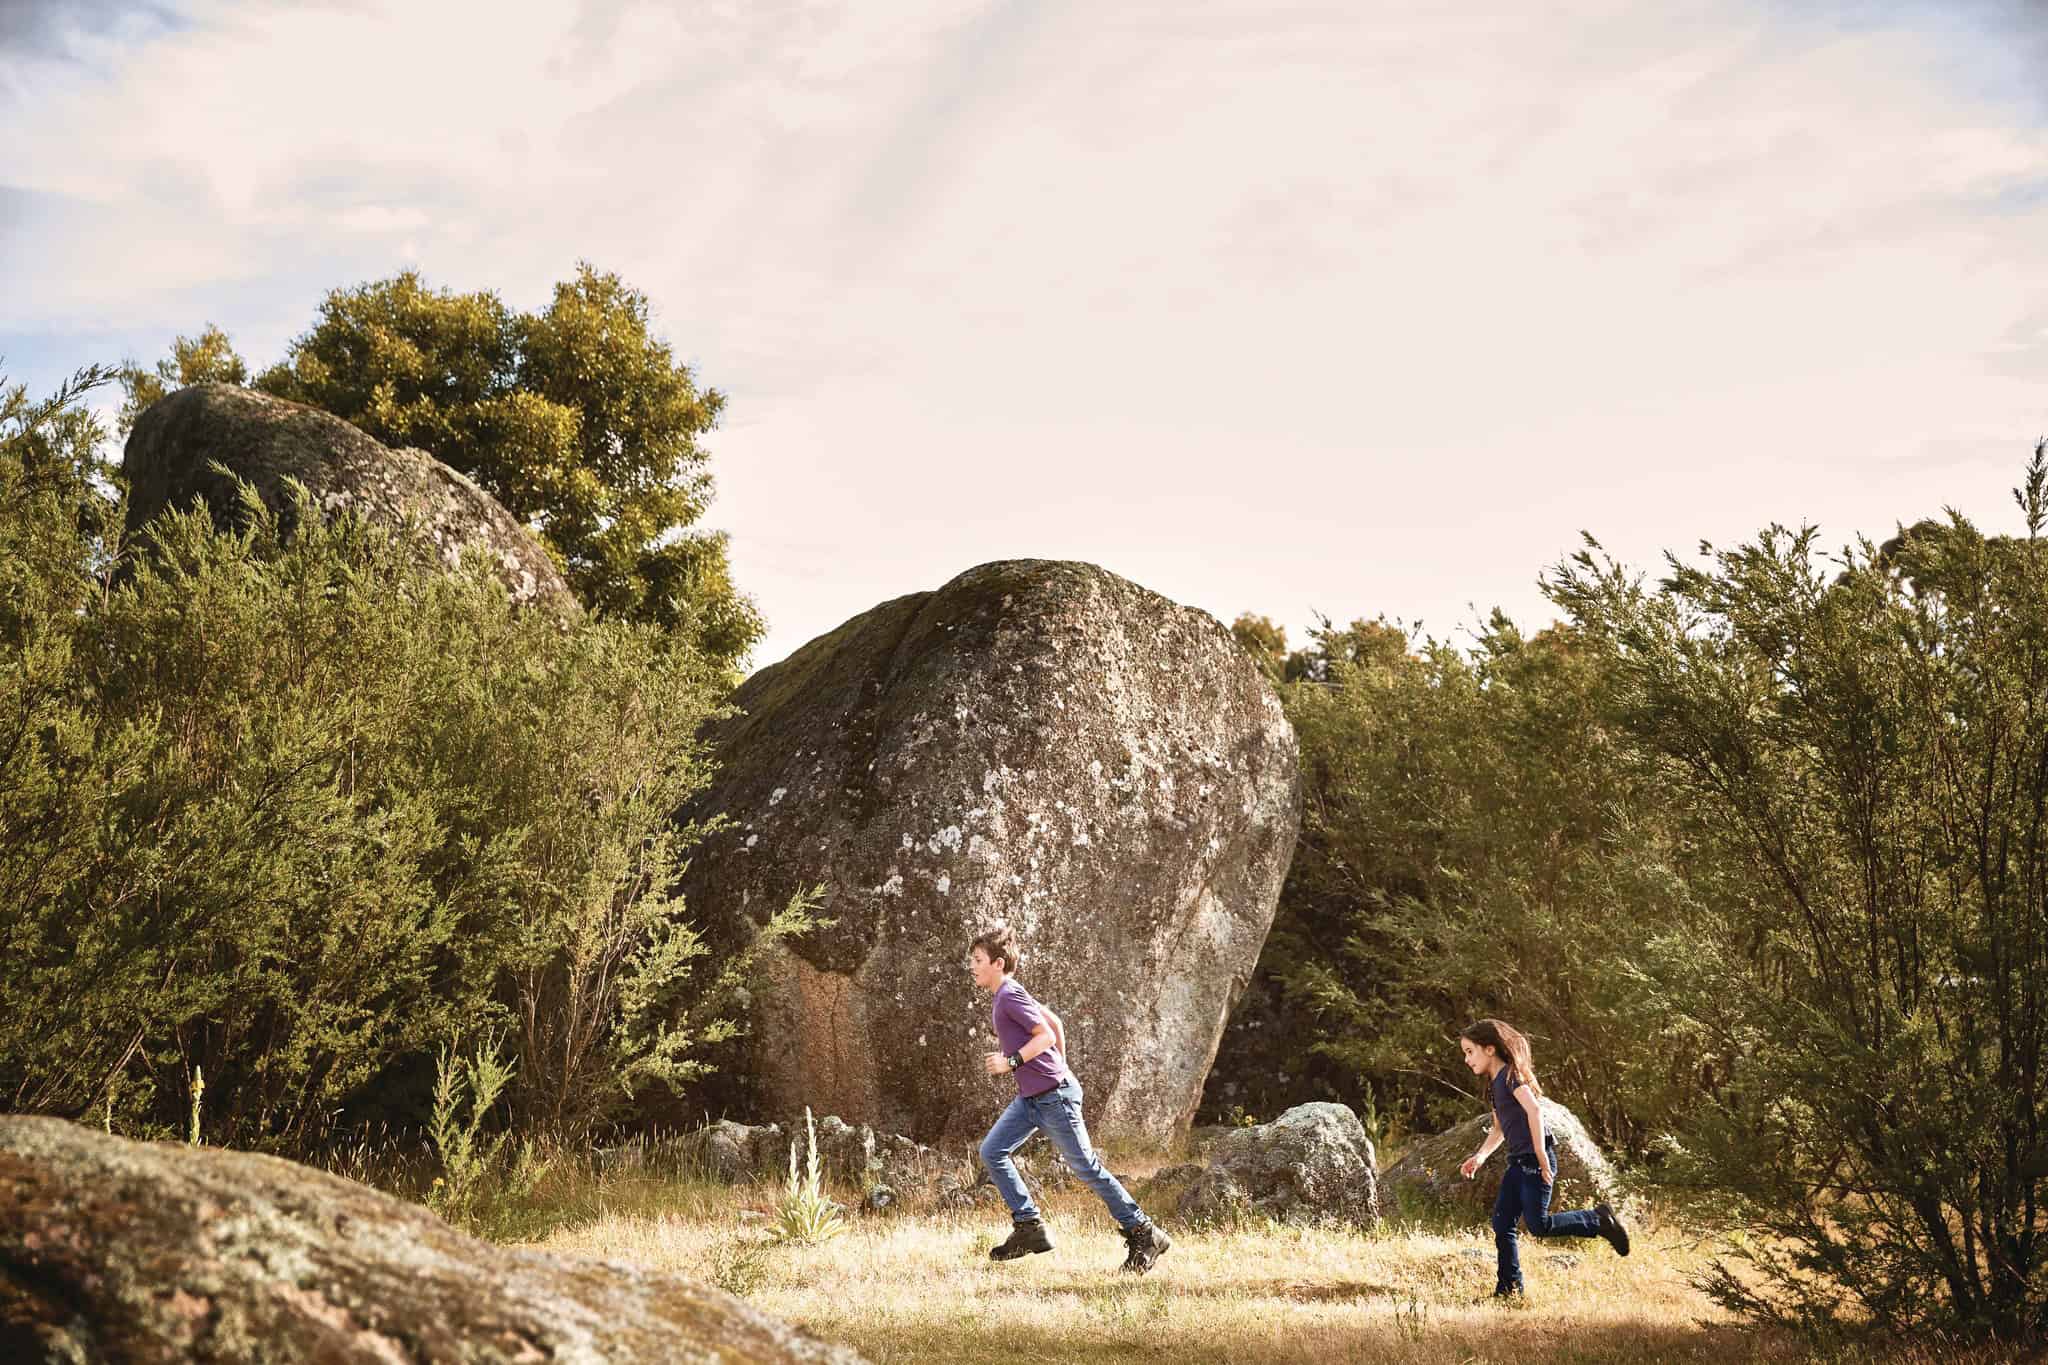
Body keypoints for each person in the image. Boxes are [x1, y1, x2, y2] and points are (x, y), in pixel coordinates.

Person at [968, 924, 1172, 1273]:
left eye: (977, 959)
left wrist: (1012, 1062)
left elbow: (1045, 1034)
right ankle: (1028, 1227)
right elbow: (1057, 1024)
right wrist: (1056, 1071)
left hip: (1053, 1098)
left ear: (998, 963)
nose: (971, 965)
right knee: (992, 1151)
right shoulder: (1011, 994)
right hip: (1032, 1098)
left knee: (1086, 1168)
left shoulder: (1009, 995)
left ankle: (1144, 1231)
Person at [1456, 1018, 1630, 1298]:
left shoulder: (1511, 1076)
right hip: (1517, 1163)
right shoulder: (1493, 1086)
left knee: (1539, 1225)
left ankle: (1597, 1221)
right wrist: (1480, 1156)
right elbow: (1500, 1129)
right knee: (1502, 1224)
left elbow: (1534, 1111)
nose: (1466, 1060)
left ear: (1489, 1049)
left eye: (1469, 1051)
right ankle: (1509, 1289)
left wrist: (1540, 1154)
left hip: (1535, 1161)